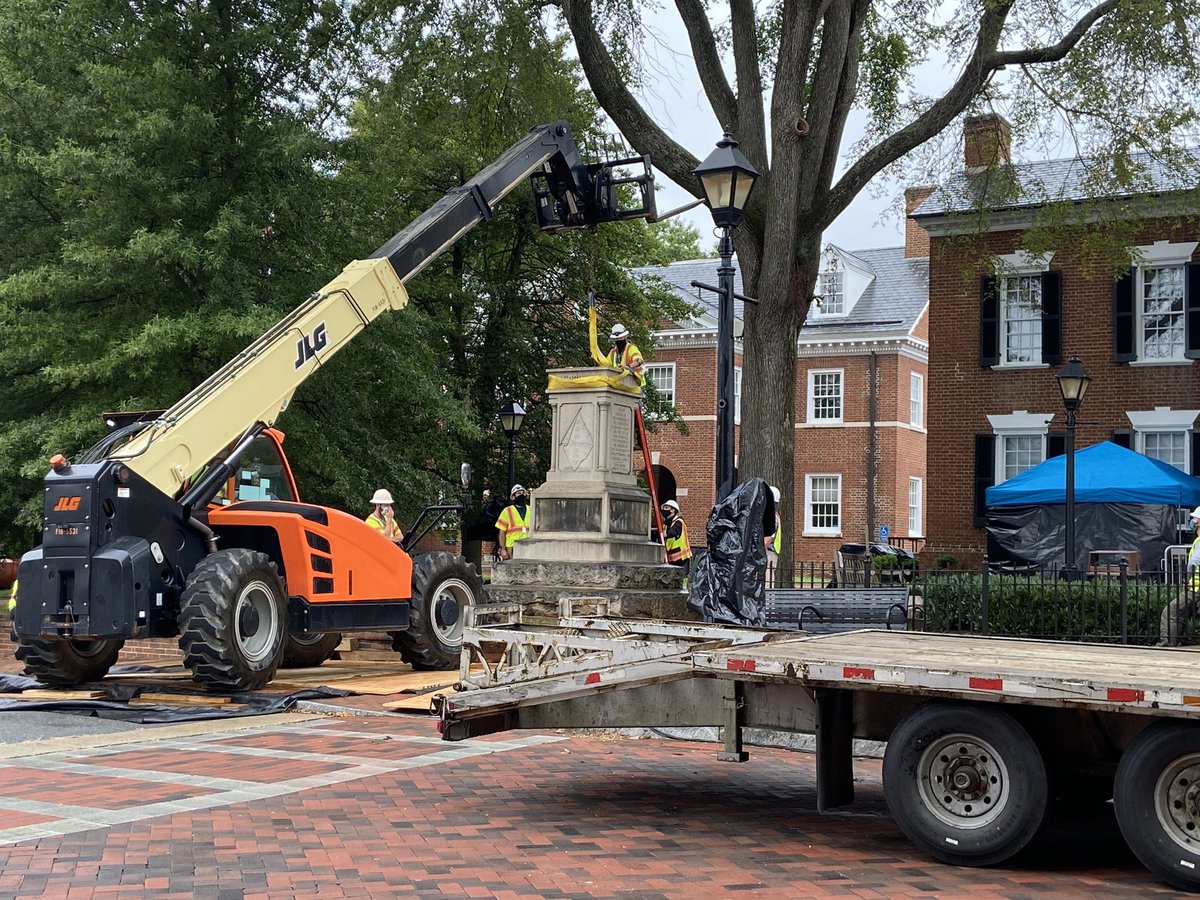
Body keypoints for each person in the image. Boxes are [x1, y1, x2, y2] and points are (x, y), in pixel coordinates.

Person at [1160, 506, 1200, 645]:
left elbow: (1194, 563)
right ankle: (1178, 640)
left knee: (1171, 612)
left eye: (1195, 518)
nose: (1192, 520)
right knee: (1181, 613)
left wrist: (1189, 577)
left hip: (1195, 588)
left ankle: (1167, 643)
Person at [495, 484, 532, 560]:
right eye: (518, 493)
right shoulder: (507, 511)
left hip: (529, 545)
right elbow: (502, 532)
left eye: (523, 493)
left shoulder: (531, 509)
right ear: (513, 497)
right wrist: (502, 549)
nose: (521, 495)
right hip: (512, 546)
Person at [661, 500, 692, 576]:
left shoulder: (679, 522)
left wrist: (665, 534)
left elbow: (673, 532)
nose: (664, 510)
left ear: (673, 510)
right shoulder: (666, 524)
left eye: (666, 507)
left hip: (680, 556)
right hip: (671, 557)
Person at [765, 486, 782, 589]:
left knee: (767, 583)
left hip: (768, 553)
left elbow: (769, 537)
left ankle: (768, 605)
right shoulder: (774, 515)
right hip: (771, 553)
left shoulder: (771, 517)